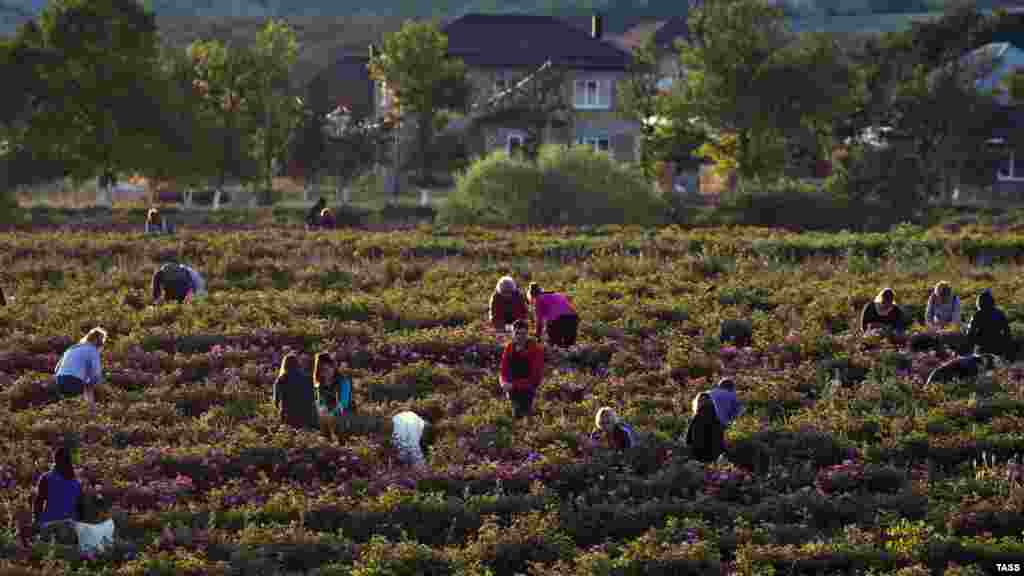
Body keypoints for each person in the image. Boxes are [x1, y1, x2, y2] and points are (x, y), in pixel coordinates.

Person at [32, 445, 85, 545]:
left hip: (50, 526)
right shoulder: (77, 483)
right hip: (71, 528)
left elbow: (38, 502)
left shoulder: (47, 478)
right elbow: (80, 509)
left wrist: (37, 523)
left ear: (55, 460)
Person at [499, 319, 545, 419]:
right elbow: (503, 368)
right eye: (517, 333)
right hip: (511, 386)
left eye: (523, 333)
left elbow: (535, 378)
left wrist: (514, 385)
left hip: (528, 388)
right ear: (513, 334)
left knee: (523, 413)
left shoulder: (536, 349)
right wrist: (503, 382)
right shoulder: (510, 347)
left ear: (527, 333)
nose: (520, 336)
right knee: (516, 414)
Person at [54, 327, 106, 408]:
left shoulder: (72, 348)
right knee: (87, 390)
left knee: (67, 405)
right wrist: (92, 384)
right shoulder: (92, 350)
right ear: (97, 341)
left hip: (59, 379)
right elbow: (96, 374)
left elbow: (56, 368)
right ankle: (90, 412)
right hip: (74, 380)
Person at [313, 352, 356, 441]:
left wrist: (332, 413)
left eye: (327, 369)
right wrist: (321, 409)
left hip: (344, 413)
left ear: (333, 367)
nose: (325, 373)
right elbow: (320, 401)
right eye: (322, 371)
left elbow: (344, 402)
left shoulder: (343, 381)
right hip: (327, 415)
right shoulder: (320, 384)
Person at [272, 353, 318, 430]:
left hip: (288, 417)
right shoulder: (308, 378)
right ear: (297, 364)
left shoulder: (281, 380)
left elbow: (276, 402)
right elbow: (314, 398)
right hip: (306, 416)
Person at [527, 282, 579, 347]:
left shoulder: (538, 299)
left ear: (532, 295)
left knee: (555, 345)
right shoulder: (556, 294)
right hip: (573, 318)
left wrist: (537, 335)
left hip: (558, 320)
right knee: (570, 346)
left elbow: (539, 321)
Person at [968, 289, 1012, 359]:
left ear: (979, 302)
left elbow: (970, 333)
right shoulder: (999, 313)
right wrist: (1006, 346)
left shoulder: (977, 315)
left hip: (982, 348)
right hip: (998, 347)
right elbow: (1007, 331)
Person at [685, 392, 725, 464]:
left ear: (698, 403)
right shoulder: (716, 417)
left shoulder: (698, 417)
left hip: (700, 455)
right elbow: (721, 436)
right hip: (715, 454)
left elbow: (689, 439)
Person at [926, 350, 1002, 386]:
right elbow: (971, 382)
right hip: (937, 382)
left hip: (938, 380)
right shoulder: (971, 364)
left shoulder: (971, 361)